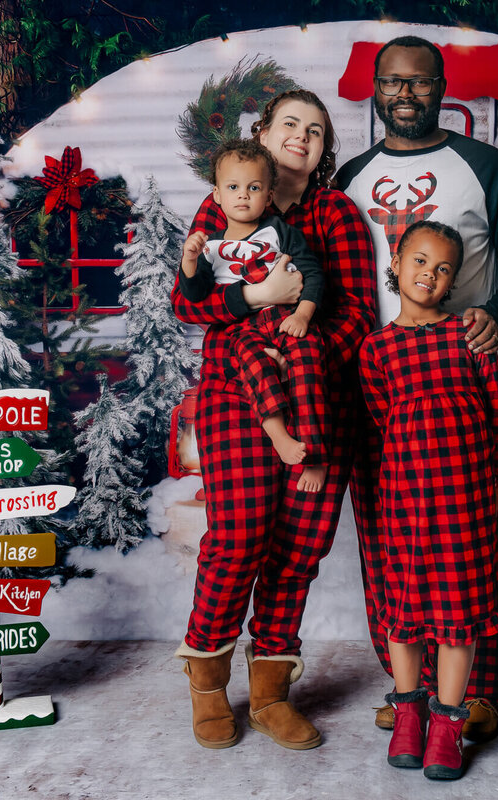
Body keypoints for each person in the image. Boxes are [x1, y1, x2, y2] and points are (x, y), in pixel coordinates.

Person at [335, 35, 498, 738]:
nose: (405, 94)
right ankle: (411, 698)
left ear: (441, 86)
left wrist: (494, 314)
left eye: (420, 83)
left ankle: (475, 696)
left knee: (468, 543)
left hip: (461, 388)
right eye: (392, 82)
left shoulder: (485, 167)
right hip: (381, 384)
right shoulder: (350, 178)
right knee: (388, 545)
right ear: (374, 86)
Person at [171, 90, 376, 751]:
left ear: (323, 150)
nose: (302, 136)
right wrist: (253, 298)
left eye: (316, 130)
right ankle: (207, 684)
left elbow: (360, 318)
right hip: (236, 394)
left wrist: (298, 346)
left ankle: (269, 694)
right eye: (290, 123)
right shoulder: (231, 194)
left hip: (318, 397)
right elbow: (188, 303)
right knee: (239, 534)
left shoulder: (336, 213)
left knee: (298, 551)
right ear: (261, 132)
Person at [359, 221, 498, 780]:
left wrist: (497, 485)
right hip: (405, 498)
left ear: (453, 280)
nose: (430, 273)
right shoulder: (376, 349)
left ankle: (447, 724)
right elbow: (381, 421)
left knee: (458, 613)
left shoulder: (468, 336)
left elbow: (494, 417)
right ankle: (408, 715)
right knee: (404, 610)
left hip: (465, 500)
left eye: (443, 267)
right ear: (396, 264)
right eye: (420, 261)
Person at [180, 138, 328, 492]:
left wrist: (304, 316)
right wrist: (189, 260)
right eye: (233, 187)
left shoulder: (281, 233)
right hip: (240, 326)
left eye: (254, 187)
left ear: (269, 194)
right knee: (253, 361)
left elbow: (314, 275)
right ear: (217, 195)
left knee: (309, 360)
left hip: (284, 316)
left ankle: (317, 457)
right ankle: (278, 434)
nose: (243, 195)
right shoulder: (211, 245)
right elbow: (195, 294)